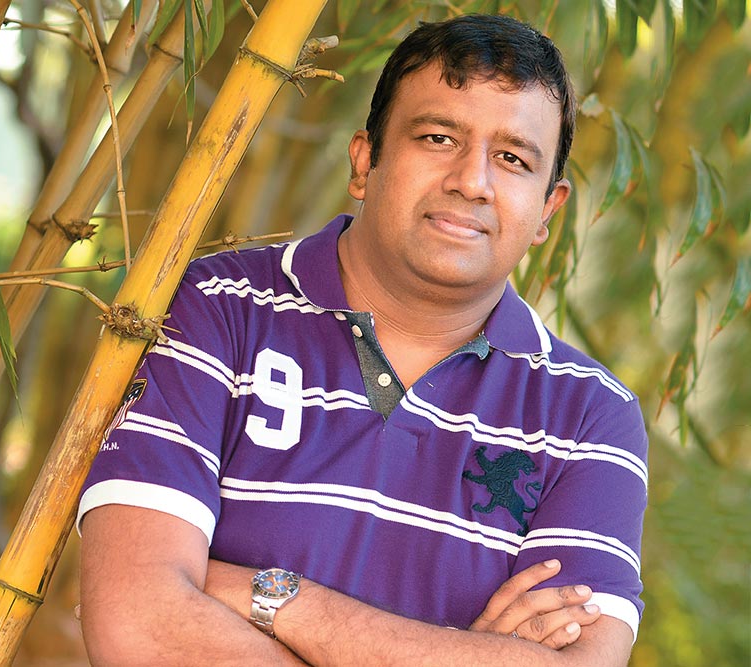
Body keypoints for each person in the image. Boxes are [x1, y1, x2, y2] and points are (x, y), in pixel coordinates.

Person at [77, 13, 647, 666]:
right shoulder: (217, 308)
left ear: (548, 209)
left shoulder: (590, 416)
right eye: (438, 137)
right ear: (365, 160)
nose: (472, 181)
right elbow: (139, 626)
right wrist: (471, 653)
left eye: (513, 159)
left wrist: (280, 599)